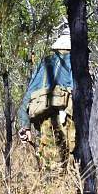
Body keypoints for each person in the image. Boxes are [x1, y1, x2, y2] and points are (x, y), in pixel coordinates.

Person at [18, 28, 75, 172]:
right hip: (70, 120)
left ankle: (54, 192)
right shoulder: (77, 63)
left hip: (46, 122)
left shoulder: (45, 64)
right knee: (75, 165)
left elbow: (28, 96)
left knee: (52, 168)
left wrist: (25, 126)